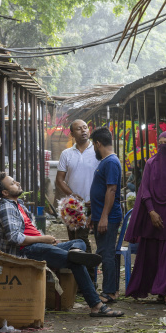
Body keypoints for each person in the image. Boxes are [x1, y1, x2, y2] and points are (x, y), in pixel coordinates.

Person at [0, 172, 123, 318]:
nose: (17, 183)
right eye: (12, 183)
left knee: (79, 242)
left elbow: (30, 231)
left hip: (38, 246)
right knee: (75, 262)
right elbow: (15, 238)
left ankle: (75, 252)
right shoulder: (6, 208)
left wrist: (46, 239)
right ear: (5, 192)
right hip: (24, 252)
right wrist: (43, 239)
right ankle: (97, 305)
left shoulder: (18, 204)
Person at [125, 131, 166, 305]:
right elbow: (145, 190)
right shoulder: (151, 164)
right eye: (160, 143)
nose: (163, 147)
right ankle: (149, 289)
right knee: (152, 256)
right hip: (153, 216)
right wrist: (151, 212)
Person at [56, 119, 98, 278]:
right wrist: (72, 194)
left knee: (81, 239)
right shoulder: (66, 154)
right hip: (73, 206)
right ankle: (79, 278)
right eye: (79, 129)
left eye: (85, 127)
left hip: (91, 203)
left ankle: (90, 279)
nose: (84, 131)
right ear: (72, 134)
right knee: (73, 241)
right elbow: (60, 180)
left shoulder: (97, 151)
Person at [89, 127, 123, 304]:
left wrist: (103, 217)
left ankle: (109, 292)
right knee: (106, 251)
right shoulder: (106, 161)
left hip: (108, 218)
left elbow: (111, 190)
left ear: (98, 143)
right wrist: (93, 216)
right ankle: (112, 290)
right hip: (101, 215)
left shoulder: (110, 162)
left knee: (106, 253)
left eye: (93, 145)